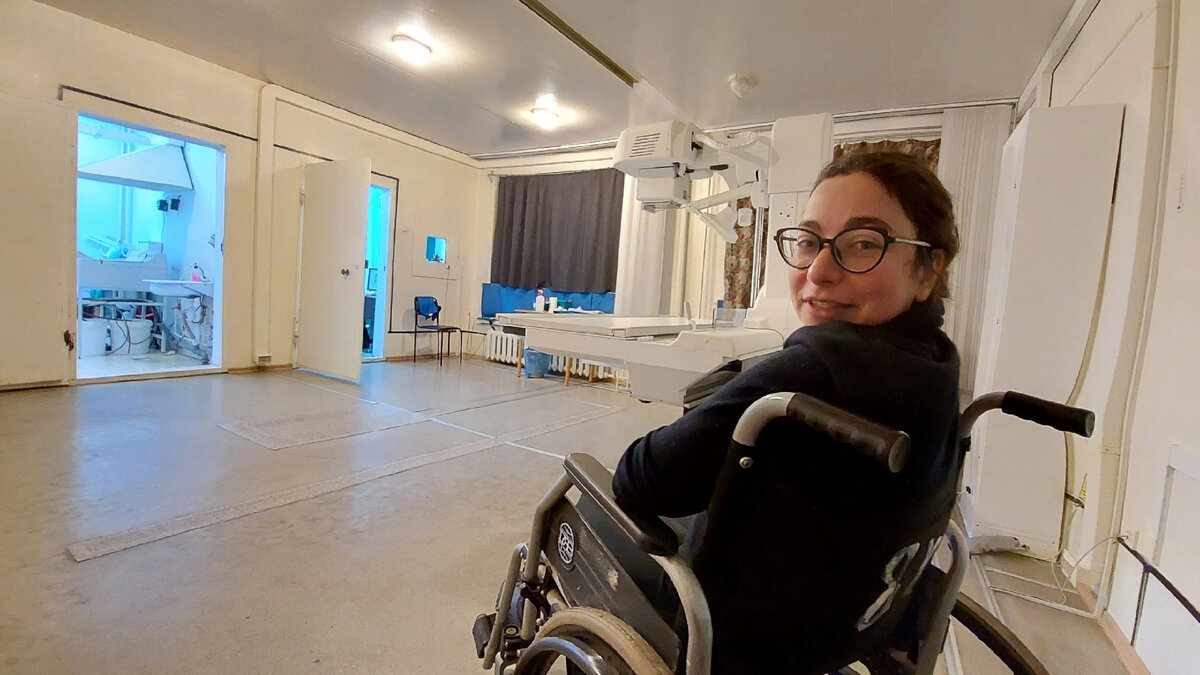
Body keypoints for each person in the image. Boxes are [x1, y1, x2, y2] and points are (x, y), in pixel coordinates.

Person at [611, 151, 962, 674]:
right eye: (809, 241)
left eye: (864, 243)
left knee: (583, 506)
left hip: (737, 642)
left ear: (928, 270)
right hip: (841, 628)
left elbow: (641, 480)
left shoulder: (813, 370)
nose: (818, 271)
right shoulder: (937, 361)